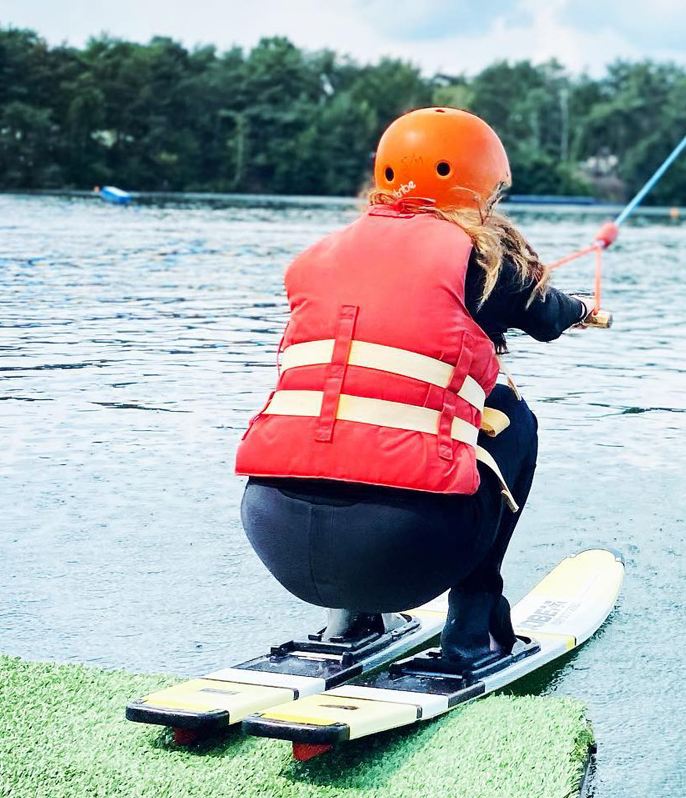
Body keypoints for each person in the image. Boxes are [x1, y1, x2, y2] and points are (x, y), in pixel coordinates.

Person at [235, 107, 597, 667]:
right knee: (509, 415)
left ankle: (349, 624)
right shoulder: (482, 258)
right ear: (477, 187)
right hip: (402, 548)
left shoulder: (317, 256)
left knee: (349, 410)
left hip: (273, 532)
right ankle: (476, 632)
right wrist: (582, 310)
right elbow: (547, 317)